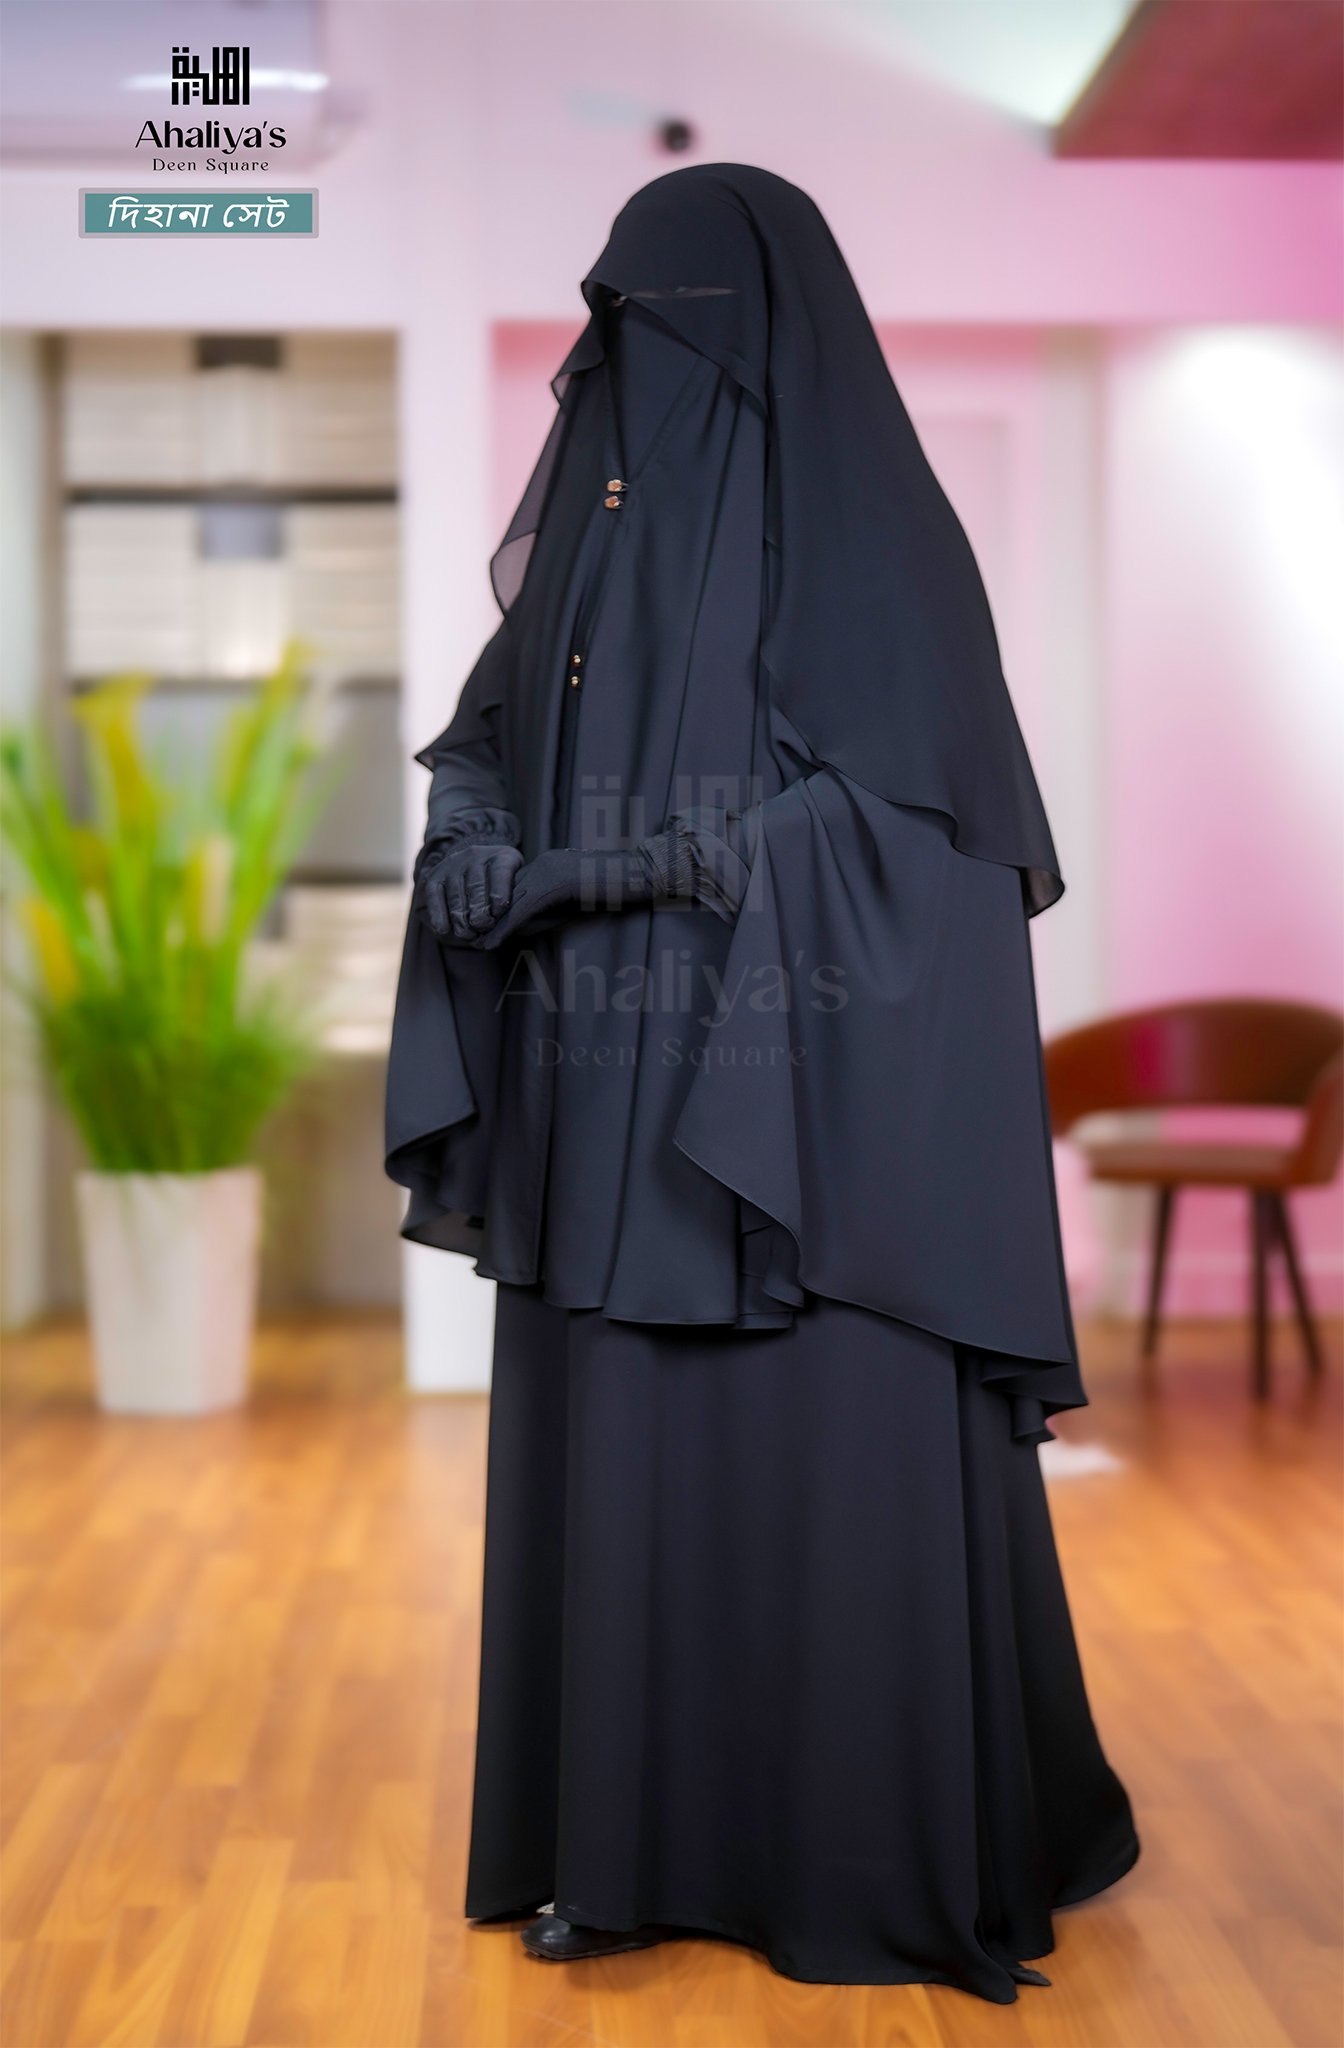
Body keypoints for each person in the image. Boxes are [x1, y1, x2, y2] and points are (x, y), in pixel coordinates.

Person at [385, 163, 1138, 2002]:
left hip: (803, 1118)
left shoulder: (880, 546)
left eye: (675, 325)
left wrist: (606, 872)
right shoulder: (590, 545)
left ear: (766, 333)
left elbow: (919, 833)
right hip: (599, 1082)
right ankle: (619, 1857)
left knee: (811, 1466)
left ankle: (849, 1853)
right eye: (615, 326)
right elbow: (483, 729)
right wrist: (470, 838)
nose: (634, 362)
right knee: (620, 1449)